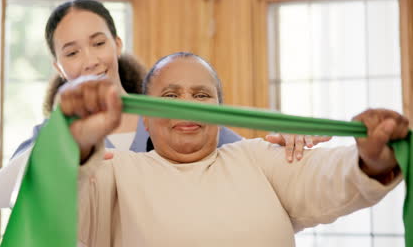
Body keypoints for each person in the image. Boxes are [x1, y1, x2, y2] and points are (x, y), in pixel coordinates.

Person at [0, 0, 328, 209]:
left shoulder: (170, 114)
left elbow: (243, 162)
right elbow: (2, 195)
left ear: (117, 44)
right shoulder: (52, 133)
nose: (90, 60)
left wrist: (285, 141)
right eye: (72, 52)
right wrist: (66, 137)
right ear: (58, 67)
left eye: (98, 43)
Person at [59, 52, 408, 246]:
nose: (188, 106)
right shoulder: (115, 171)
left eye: (201, 96)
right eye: (170, 96)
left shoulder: (256, 157)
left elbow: (329, 176)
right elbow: (58, 202)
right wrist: (76, 141)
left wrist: (369, 159)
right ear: (145, 119)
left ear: (219, 112)